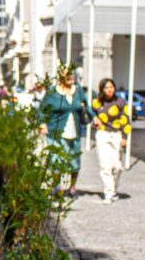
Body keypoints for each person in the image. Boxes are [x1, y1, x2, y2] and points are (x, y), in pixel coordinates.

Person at [38, 64, 95, 197]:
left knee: (75, 162)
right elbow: (42, 110)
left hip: (74, 132)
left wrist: (94, 118)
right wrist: (42, 124)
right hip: (56, 132)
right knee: (56, 161)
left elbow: (86, 106)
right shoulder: (52, 92)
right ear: (60, 76)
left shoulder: (78, 90)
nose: (71, 77)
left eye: (72, 74)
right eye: (68, 75)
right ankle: (55, 187)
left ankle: (72, 187)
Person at [91, 78, 132, 204]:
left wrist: (125, 137)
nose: (109, 90)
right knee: (105, 165)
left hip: (116, 134)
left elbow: (126, 120)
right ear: (102, 89)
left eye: (111, 87)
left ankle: (113, 189)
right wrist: (94, 120)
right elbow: (90, 114)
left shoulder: (120, 102)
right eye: (106, 87)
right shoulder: (97, 103)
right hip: (102, 134)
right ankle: (108, 193)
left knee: (118, 166)